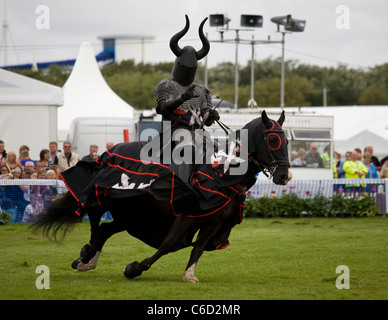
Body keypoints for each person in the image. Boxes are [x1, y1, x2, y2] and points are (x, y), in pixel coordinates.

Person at [154, 15, 218, 182]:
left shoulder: (202, 90)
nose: (188, 70)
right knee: (188, 148)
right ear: (178, 65)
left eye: (191, 68)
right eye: (185, 67)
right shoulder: (166, 85)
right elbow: (162, 108)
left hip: (198, 132)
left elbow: (205, 116)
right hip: (174, 131)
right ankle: (183, 187)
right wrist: (181, 98)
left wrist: (211, 116)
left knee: (218, 151)